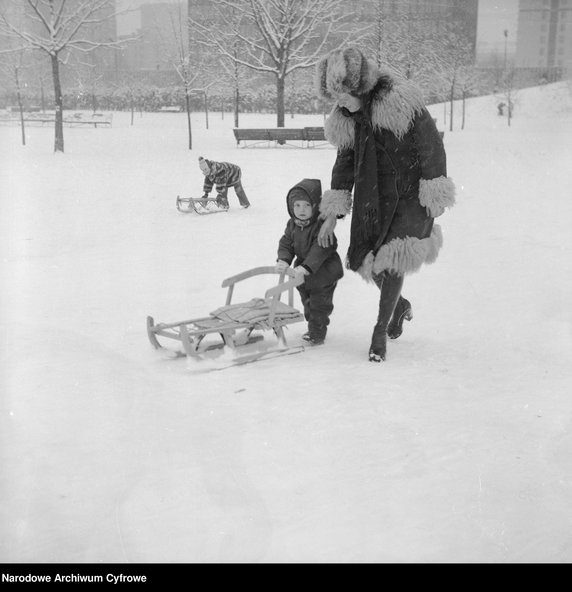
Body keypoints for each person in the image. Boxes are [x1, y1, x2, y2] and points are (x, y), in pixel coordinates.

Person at [315, 47, 456, 362]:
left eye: (344, 94)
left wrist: (434, 191)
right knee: (366, 259)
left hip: (408, 195)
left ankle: (380, 331)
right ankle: (399, 305)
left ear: (360, 85)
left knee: (393, 259)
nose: (339, 103)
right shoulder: (347, 117)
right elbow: (345, 162)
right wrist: (333, 212)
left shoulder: (400, 102)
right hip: (374, 196)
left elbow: (431, 145)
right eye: (334, 97)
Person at [275, 178, 344, 346]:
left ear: (314, 206)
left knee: (319, 304)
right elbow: (286, 243)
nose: (302, 210)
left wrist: (306, 266)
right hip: (302, 272)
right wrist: (284, 259)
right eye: (297, 206)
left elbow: (321, 249)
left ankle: (317, 332)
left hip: (324, 272)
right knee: (307, 301)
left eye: (306, 205)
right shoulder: (292, 224)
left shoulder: (322, 226)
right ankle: (312, 323)